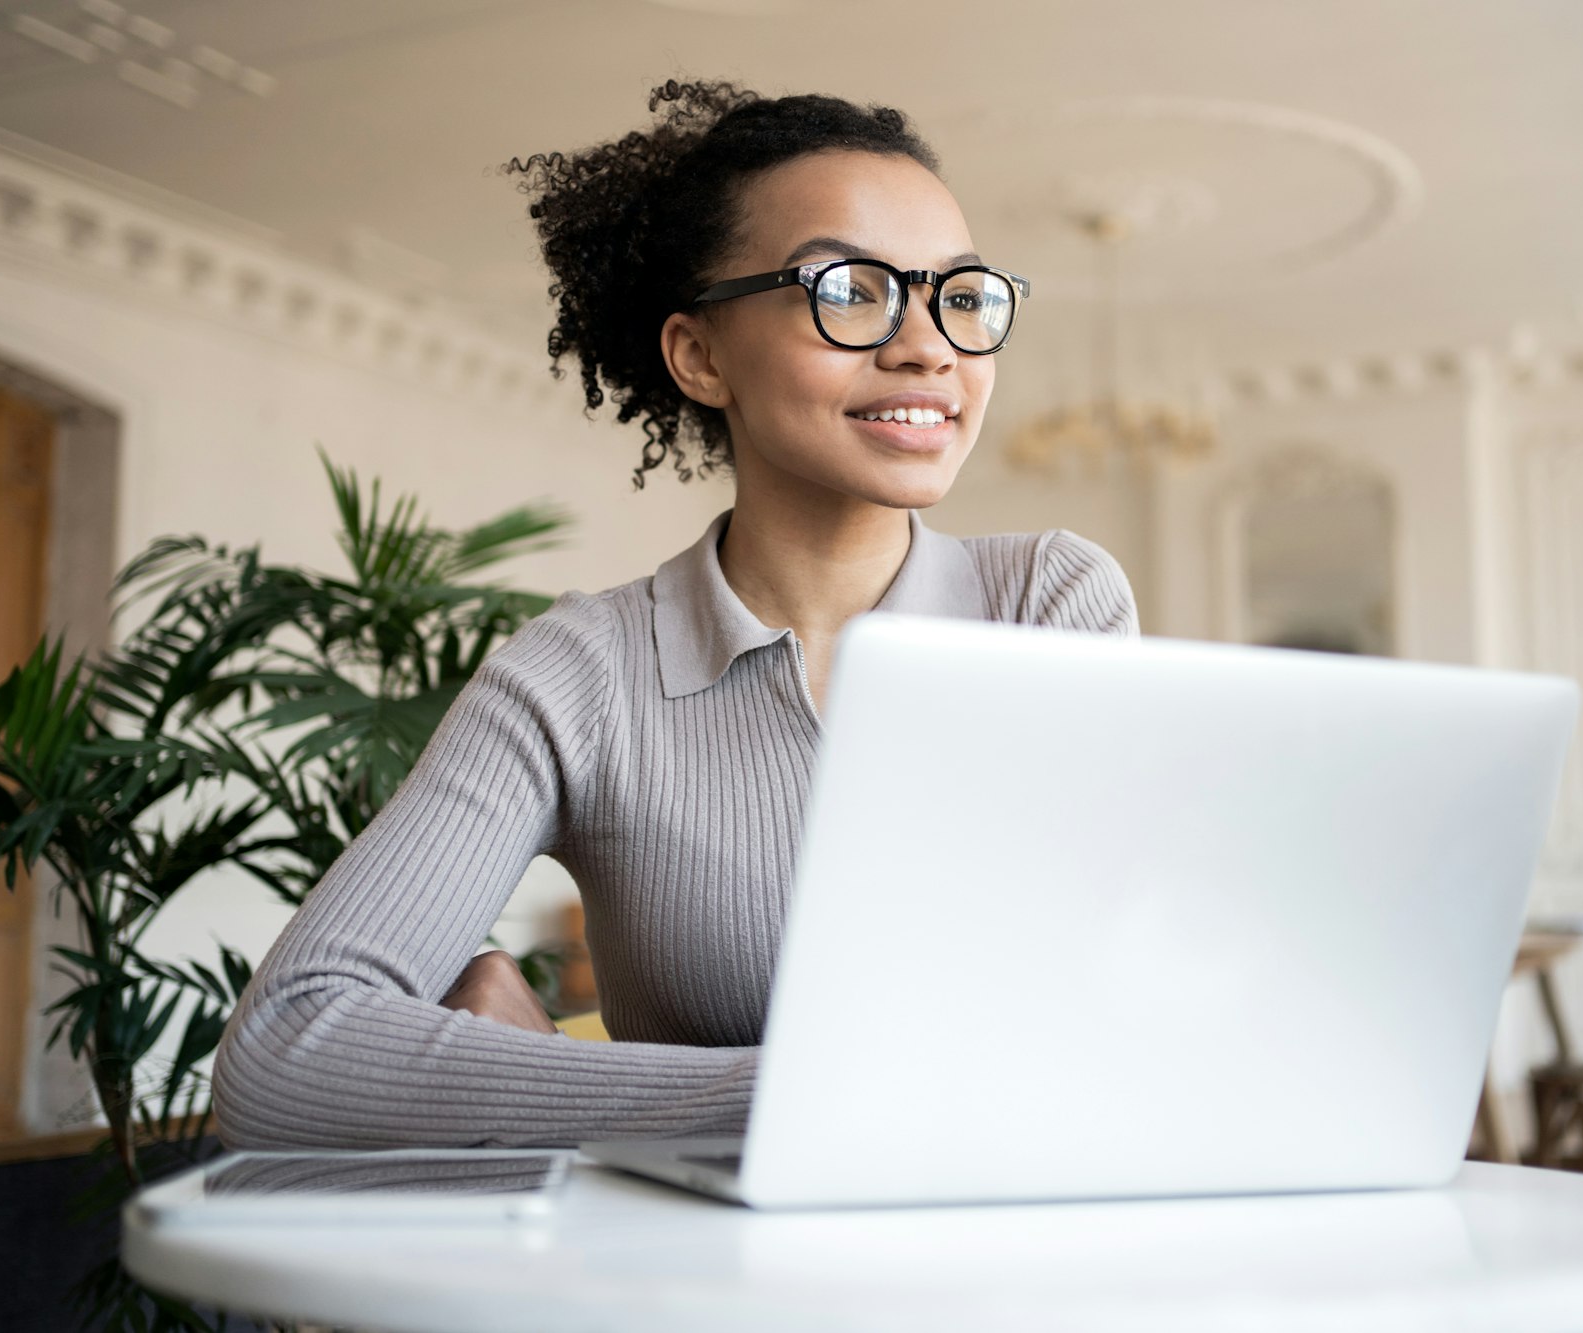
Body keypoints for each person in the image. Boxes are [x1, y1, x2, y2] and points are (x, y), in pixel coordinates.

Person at [211, 80, 1137, 1149]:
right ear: (699, 355)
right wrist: (806, 1101)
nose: (930, 347)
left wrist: (575, 1087)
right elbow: (286, 1054)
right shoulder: (577, 674)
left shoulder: (1046, 603)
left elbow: (1105, 1030)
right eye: (850, 288)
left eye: (959, 296)